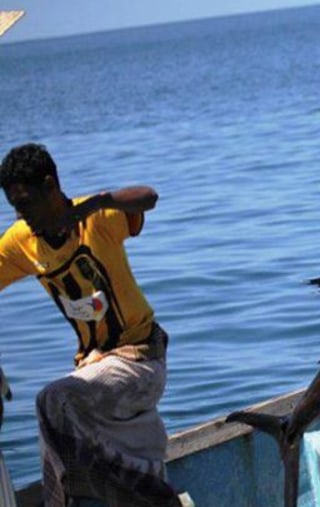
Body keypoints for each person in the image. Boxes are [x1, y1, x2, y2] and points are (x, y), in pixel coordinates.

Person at [0, 144, 180, 506]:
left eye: (26, 203)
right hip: (94, 364)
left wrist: (94, 205)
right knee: (52, 424)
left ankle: (153, 496)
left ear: (51, 186)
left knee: (53, 400)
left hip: (140, 357)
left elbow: (149, 197)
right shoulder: (24, 242)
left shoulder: (97, 220)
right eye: (14, 207)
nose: (22, 215)